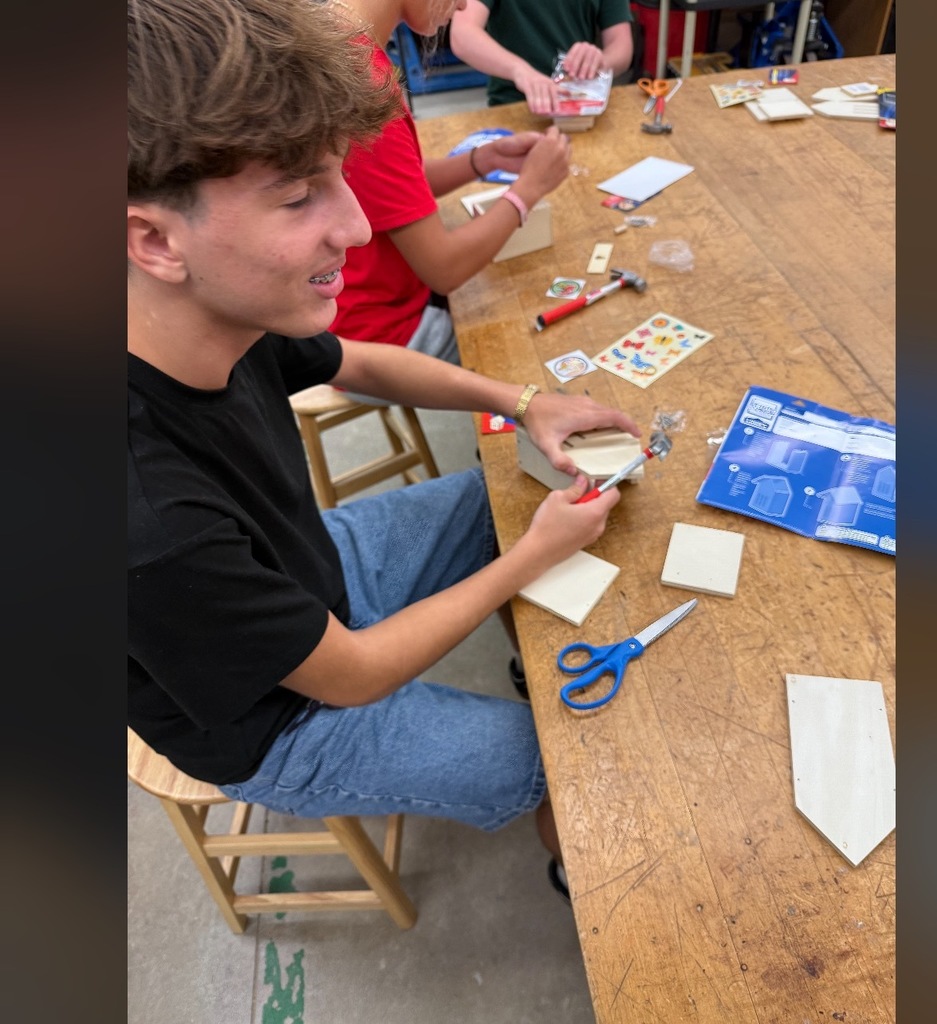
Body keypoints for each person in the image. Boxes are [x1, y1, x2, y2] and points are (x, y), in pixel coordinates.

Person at [128, 0, 641, 903]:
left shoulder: (214, 312)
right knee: (568, 751)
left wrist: (525, 401)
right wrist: (531, 561)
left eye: (339, 179)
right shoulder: (145, 521)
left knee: (508, 489)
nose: (360, 230)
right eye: (299, 197)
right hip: (280, 721)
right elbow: (350, 676)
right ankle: (577, 864)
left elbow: (356, 358)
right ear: (153, 240)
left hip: (311, 572)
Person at [329, 0, 571, 390]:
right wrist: (528, 191)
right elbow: (444, 270)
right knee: (543, 352)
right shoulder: (361, 85)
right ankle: (496, 447)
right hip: (378, 337)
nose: (462, 5)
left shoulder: (348, 50)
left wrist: (482, 159)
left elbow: (392, 186)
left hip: (357, 309)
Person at [449, 0, 634, 115]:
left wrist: (600, 61)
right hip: (516, 107)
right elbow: (463, 33)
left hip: (579, 107)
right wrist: (521, 72)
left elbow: (621, 45)